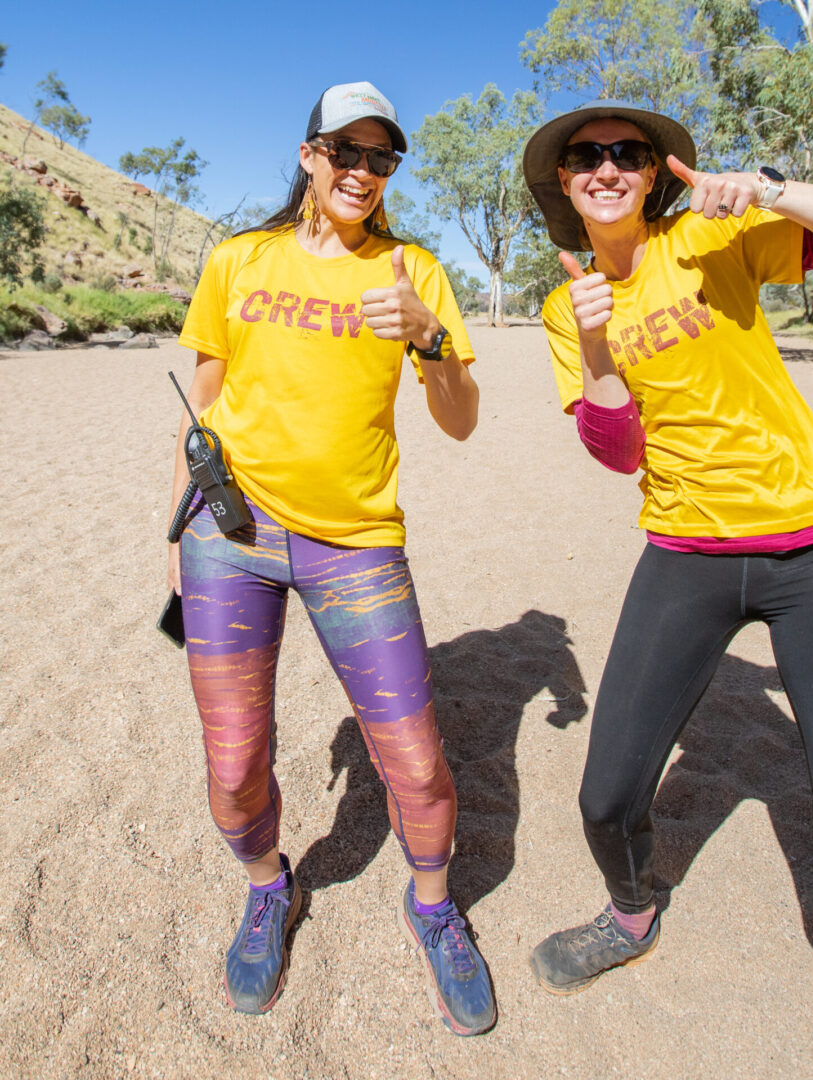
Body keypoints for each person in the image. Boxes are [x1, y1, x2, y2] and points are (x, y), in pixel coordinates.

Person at [521, 101, 813, 1080]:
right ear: (564, 184)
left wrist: (769, 191)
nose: (606, 166)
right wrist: (602, 348)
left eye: (627, 153)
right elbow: (615, 452)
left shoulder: (711, 233)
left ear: (653, 173)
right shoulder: (567, 309)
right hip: (684, 553)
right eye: (585, 157)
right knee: (605, 798)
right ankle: (630, 913)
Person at [166, 81, 495, 1036]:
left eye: (381, 158)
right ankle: (270, 887)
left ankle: (432, 907)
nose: (362, 172)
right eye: (345, 152)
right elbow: (206, 401)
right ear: (309, 155)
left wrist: (430, 340)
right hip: (225, 540)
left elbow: (462, 421)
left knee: (418, 765)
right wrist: (178, 534)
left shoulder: (411, 274)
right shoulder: (239, 259)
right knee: (233, 767)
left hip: (356, 545)